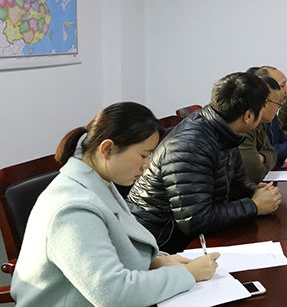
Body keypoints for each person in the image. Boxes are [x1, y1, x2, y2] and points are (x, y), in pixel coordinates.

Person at [11, 102, 219, 306]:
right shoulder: (71, 208)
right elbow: (112, 294)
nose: (147, 166)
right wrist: (187, 274)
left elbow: (115, 249)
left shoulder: (97, 182)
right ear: (107, 149)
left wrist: (156, 262)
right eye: (143, 155)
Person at [127, 72, 282, 253]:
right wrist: (254, 206)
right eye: (262, 107)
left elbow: (238, 181)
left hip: (186, 236)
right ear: (248, 116)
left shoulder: (226, 130)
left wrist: (255, 191)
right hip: (158, 244)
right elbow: (194, 220)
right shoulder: (190, 144)